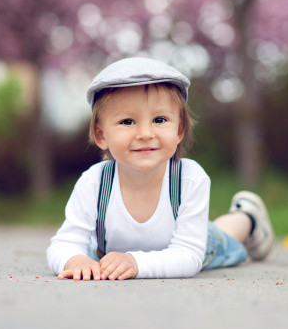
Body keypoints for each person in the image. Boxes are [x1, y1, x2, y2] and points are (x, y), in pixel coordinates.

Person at [47, 57, 274, 280]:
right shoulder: (94, 183)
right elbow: (65, 242)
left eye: (159, 120)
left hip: (188, 243)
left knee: (219, 235)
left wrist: (136, 263)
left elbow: (188, 255)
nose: (145, 134)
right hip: (118, 254)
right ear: (101, 134)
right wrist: (75, 261)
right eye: (127, 121)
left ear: (179, 129)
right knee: (86, 252)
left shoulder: (189, 179)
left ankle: (248, 217)